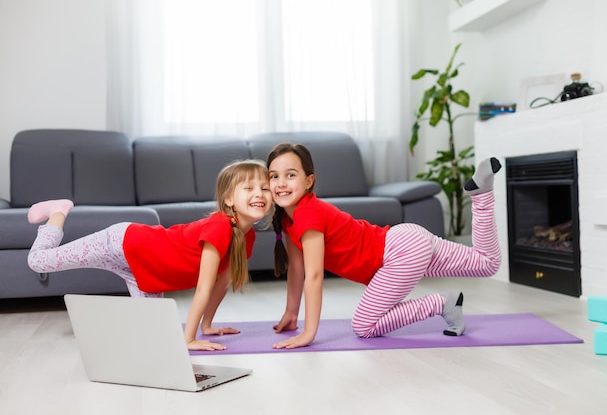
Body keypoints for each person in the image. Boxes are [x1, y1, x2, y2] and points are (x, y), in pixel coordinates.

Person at [266, 143, 502, 349]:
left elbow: (314, 275)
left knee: (364, 325)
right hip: (405, 239)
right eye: (274, 176)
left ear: (309, 181)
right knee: (487, 263)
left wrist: (309, 333)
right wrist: (292, 312)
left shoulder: (308, 214)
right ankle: (481, 196)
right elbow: (297, 270)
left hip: (397, 254)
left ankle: (441, 303)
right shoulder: (289, 219)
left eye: (290, 175)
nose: (281, 183)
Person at [27, 159, 272, 351]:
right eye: (249, 188)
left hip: (146, 273)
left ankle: (100, 333)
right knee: (38, 261)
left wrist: (206, 327)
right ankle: (58, 210)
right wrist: (190, 338)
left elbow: (220, 286)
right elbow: (203, 288)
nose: (259, 194)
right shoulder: (219, 227)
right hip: (124, 243)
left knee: (154, 336)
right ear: (229, 199)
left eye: (265, 188)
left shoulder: (246, 238)